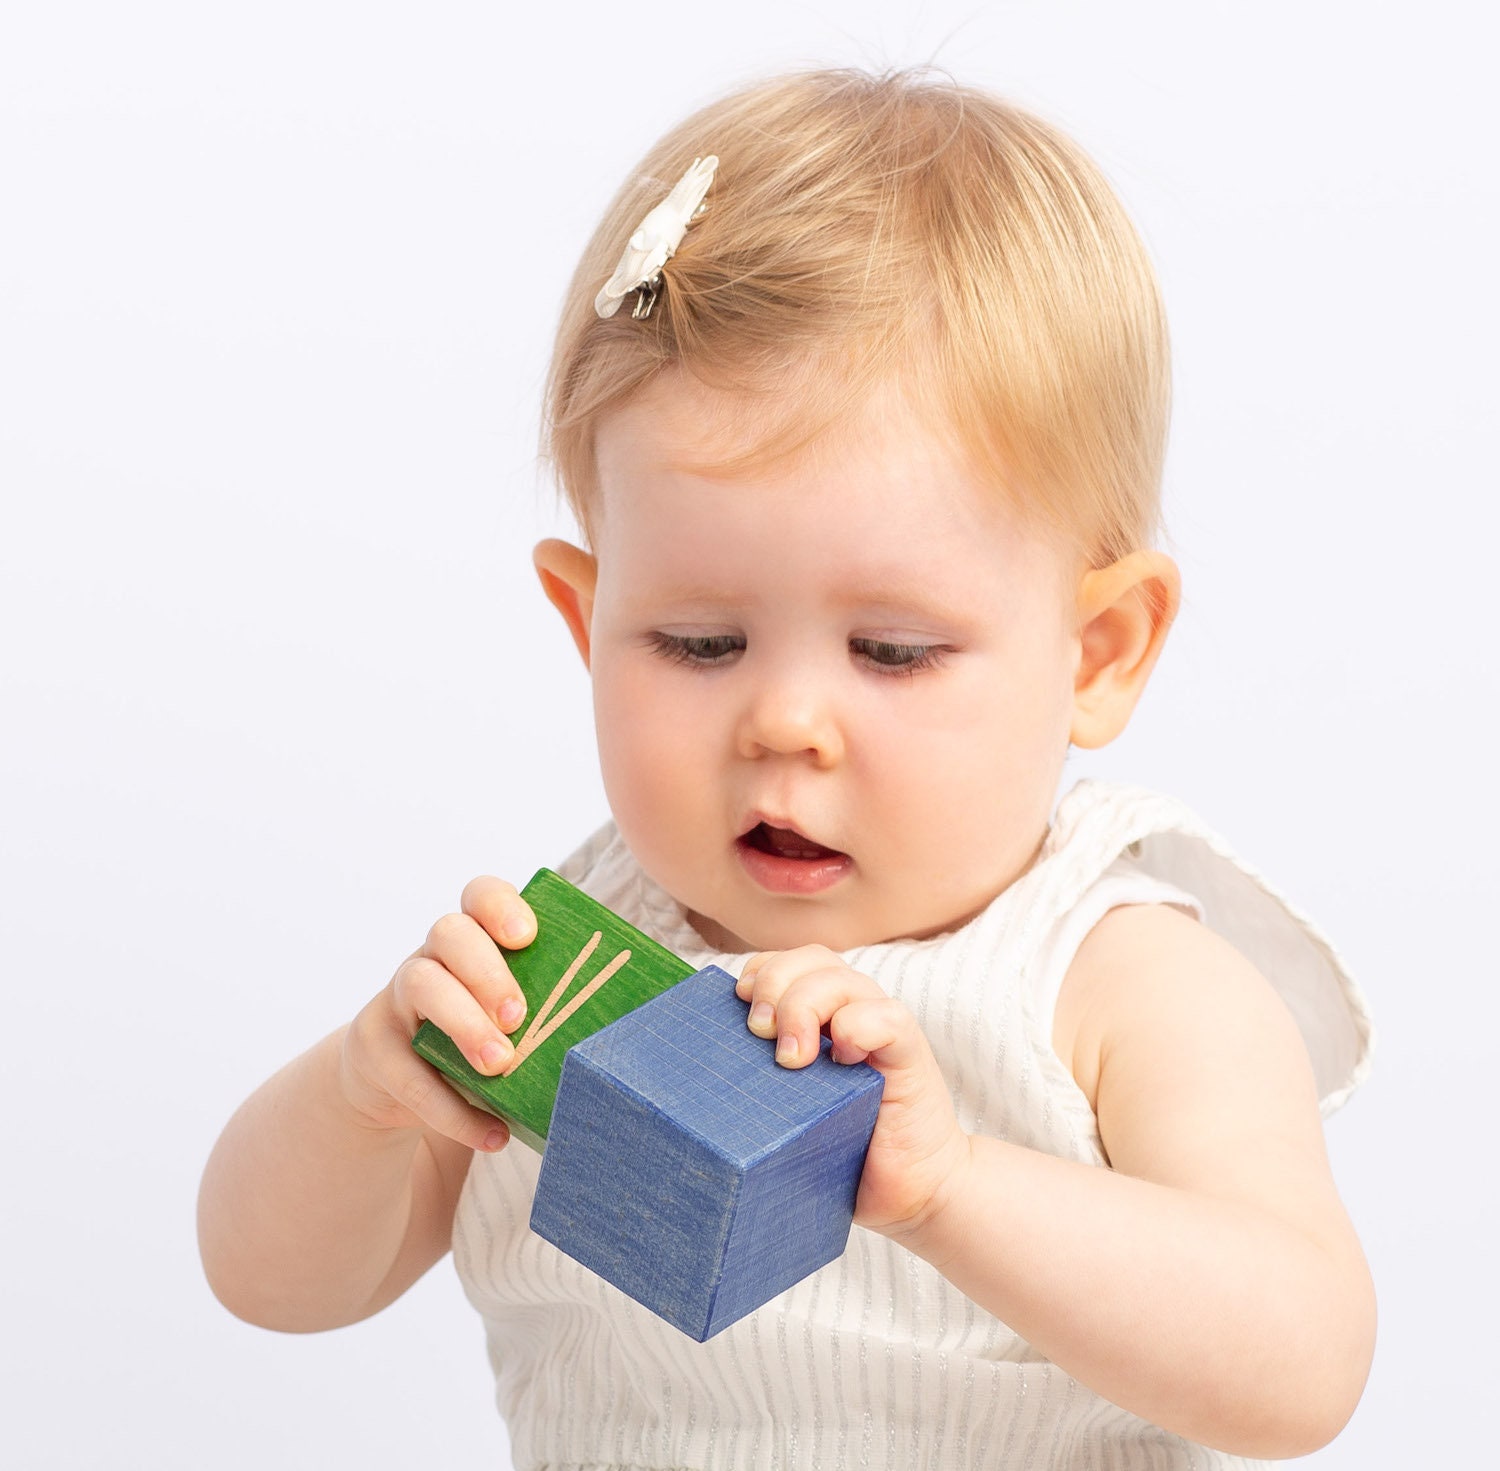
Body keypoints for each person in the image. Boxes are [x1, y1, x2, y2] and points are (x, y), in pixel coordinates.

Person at [198, 67, 1376, 1470]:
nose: (786, 725)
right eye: (699, 643)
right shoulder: (565, 967)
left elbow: (1300, 1369)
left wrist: (950, 1188)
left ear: (1098, 653)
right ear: (586, 623)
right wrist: (363, 1096)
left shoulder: (1120, 983)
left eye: (892, 652)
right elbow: (271, 1285)